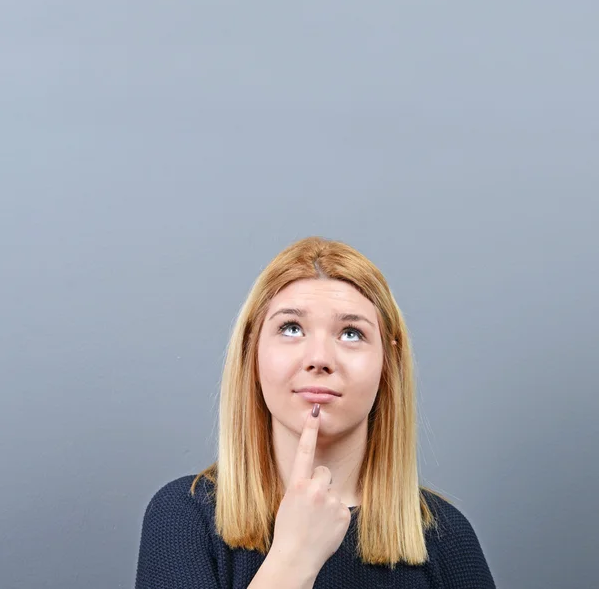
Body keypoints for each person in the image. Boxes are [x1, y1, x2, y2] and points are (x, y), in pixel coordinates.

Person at [134, 236, 496, 588]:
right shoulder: (183, 518)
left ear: (389, 361)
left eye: (351, 333)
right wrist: (293, 559)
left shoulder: (446, 538)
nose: (319, 358)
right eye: (291, 328)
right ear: (252, 351)